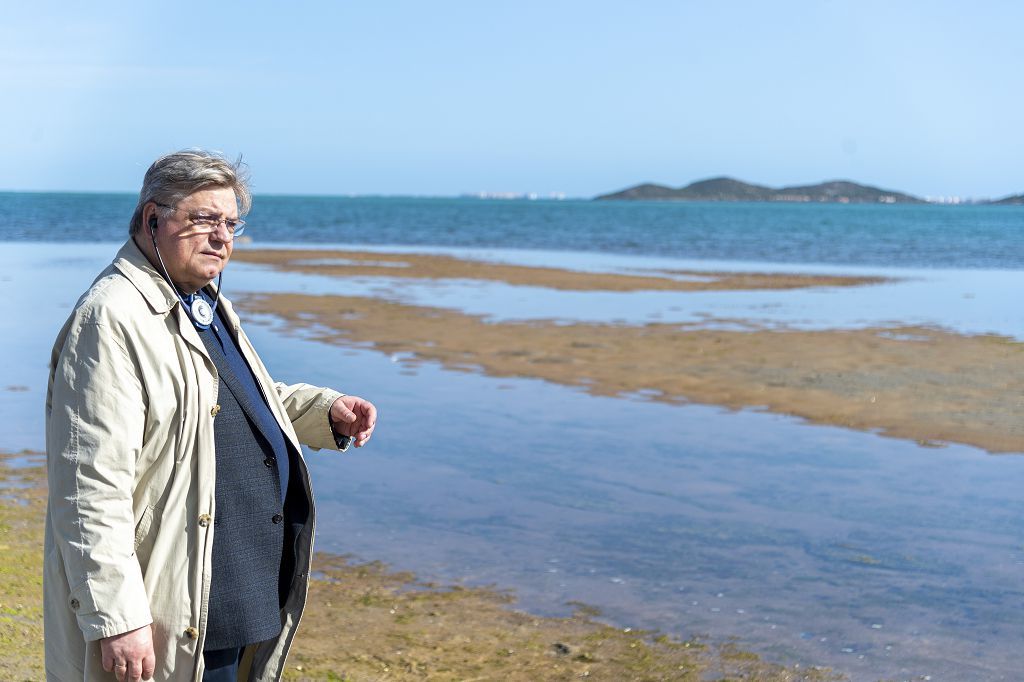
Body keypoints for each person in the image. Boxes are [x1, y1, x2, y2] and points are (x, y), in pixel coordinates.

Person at [44, 150, 377, 682]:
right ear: (154, 220)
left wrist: (323, 412)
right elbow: (89, 489)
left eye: (230, 223)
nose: (222, 237)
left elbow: (231, 402)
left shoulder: (201, 302)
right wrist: (117, 618)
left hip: (235, 591)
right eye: (204, 220)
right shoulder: (112, 319)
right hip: (173, 603)